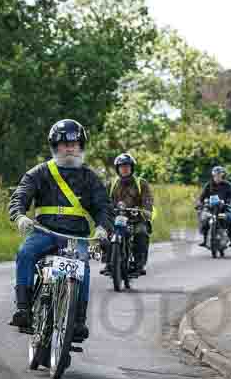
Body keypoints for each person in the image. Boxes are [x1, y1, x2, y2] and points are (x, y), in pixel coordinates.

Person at [8, 119, 111, 343]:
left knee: (82, 268)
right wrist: (20, 216)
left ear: (81, 146)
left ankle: (78, 322)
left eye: (74, 144)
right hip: (43, 232)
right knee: (25, 253)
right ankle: (24, 309)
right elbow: (20, 196)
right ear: (55, 147)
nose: (70, 148)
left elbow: (103, 207)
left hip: (76, 237)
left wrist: (103, 227)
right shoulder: (40, 173)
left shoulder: (90, 177)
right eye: (64, 144)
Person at [101, 153, 154, 276]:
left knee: (141, 233)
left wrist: (146, 210)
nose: (124, 169)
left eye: (127, 166)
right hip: (116, 218)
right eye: (121, 167)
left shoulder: (141, 183)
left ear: (132, 168)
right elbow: (102, 199)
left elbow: (148, 199)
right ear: (117, 169)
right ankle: (109, 263)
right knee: (103, 233)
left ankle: (139, 265)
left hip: (136, 218)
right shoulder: (111, 184)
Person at [196, 165, 231, 248]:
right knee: (204, 219)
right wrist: (199, 203)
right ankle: (204, 240)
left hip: (223, 209)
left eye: (219, 175)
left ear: (222, 175)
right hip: (210, 209)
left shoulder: (227, 185)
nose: (217, 177)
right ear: (213, 175)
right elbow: (202, 196)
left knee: (229, 219)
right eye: (216, 175)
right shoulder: (208, 185)